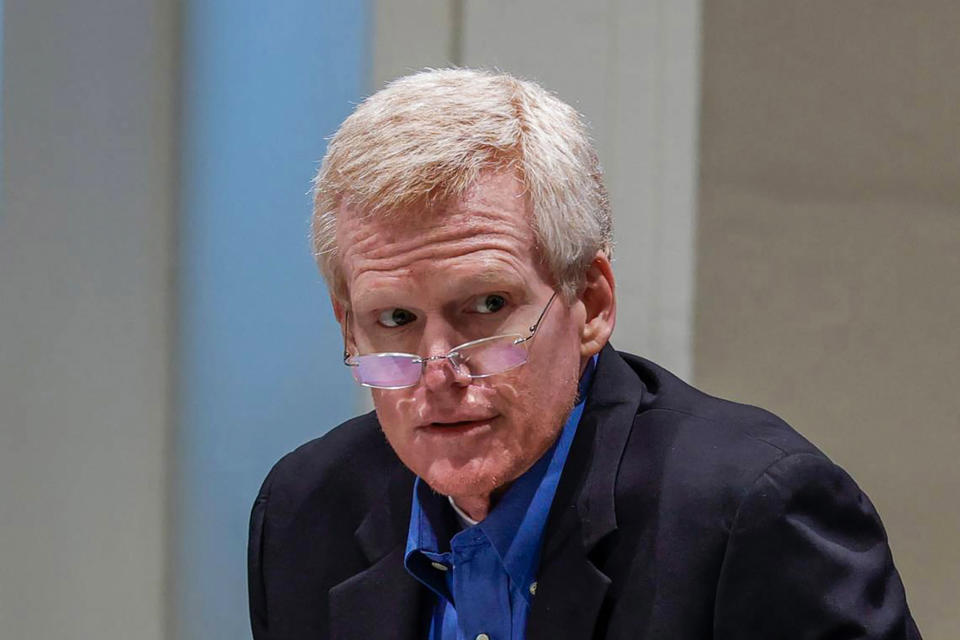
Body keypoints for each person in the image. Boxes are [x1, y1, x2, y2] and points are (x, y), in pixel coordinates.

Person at [248, 68, 919, 640]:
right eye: (394, 319)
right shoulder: (305, 511)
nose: (439, 371)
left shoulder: (753, 512)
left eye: (486, 307)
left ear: (592, 303)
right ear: (347, 328)